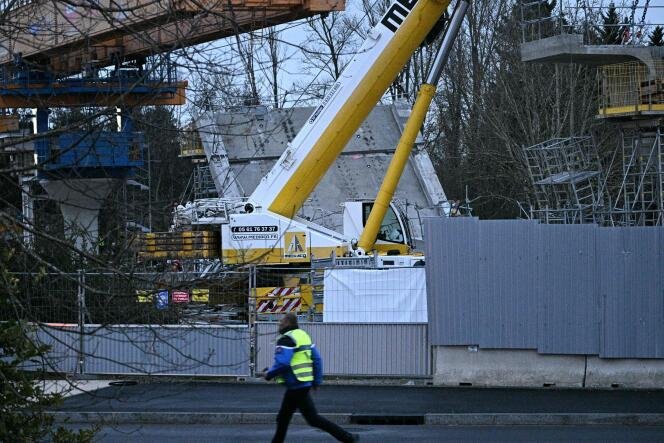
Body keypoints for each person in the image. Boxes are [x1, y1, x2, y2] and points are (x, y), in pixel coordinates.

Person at [263, 313, 358, 443]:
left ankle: (348, 438)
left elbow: (283, 363)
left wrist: (268, 374)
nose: (279, 324)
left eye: (281, 321)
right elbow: (317, 359)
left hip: (296, 384)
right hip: (302, 384)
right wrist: (316, 381)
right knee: (286, 418)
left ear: (288, 323)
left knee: (309, 419)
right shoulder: (303, 335)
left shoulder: (286, 339)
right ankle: (347, 437)